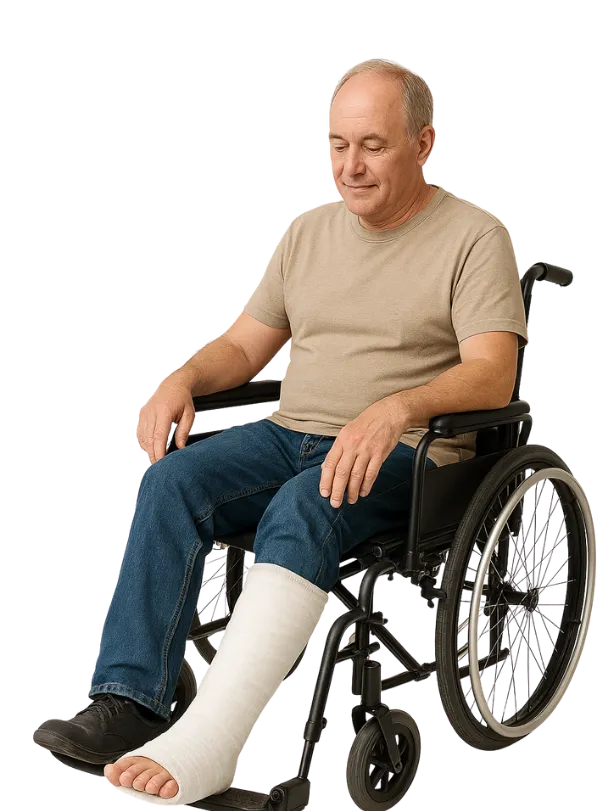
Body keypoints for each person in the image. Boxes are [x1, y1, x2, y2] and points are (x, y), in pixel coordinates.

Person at [33, 58, 528, 806]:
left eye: (372, 146)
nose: (349, 167)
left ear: (424, 143)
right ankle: (130, 703)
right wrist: (181, 380)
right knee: (175, 479)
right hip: (291, 432)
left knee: (304, 504)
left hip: (410, 454)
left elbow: (493, 374)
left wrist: (396, 408)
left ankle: (210, 742)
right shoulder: (308, 231)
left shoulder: (474, 236)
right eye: (338, 145)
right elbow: (244, 347)